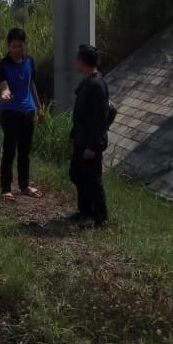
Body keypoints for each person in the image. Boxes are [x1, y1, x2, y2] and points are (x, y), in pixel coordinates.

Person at [0, 28, 45, 202]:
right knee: (9, 150)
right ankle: (6, 189)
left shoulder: (29, 61)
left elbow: (32, 85)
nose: (18, 49)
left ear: (25, 45)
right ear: (9, 46)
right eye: (14, 46)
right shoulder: (1, 65)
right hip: (10, 112)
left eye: (21, 46)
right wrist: (5, 92)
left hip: (28, 111)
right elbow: (3, 84)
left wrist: (39, 108)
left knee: (25, 151)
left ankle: (24, 186)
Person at [68, 44, 110, 227]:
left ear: (83, 62)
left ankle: (100, 217)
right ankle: (84, 211)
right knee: (77, 174)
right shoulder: (87, 81)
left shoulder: (96, 85)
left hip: (90, 142)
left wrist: (94, 146)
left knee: (93, 180)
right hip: (81, 139)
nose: (75, 62)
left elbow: (99, 119)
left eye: (78, 59)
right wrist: (73, 134)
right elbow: (80, 114)